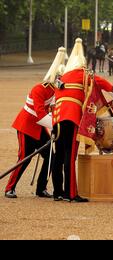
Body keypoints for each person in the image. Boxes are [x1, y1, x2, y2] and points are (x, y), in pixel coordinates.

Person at [52, 38, 113, 202]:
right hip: (72, 117)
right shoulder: (86, 74)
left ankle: (57, 192)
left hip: (57, 117)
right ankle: (70, 193)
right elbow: (108, 86)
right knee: (70, 155)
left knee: (58, 155)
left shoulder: (63, 76)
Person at [4, 47, 66, 199]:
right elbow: (40, 114)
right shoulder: (39, 89)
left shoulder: (56, 92)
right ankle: (9, 188)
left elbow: (53, 111)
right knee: (24, 157)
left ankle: (41, 188)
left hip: (40, 129)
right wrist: (55, 126)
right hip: (26, 126)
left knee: (51, 156)